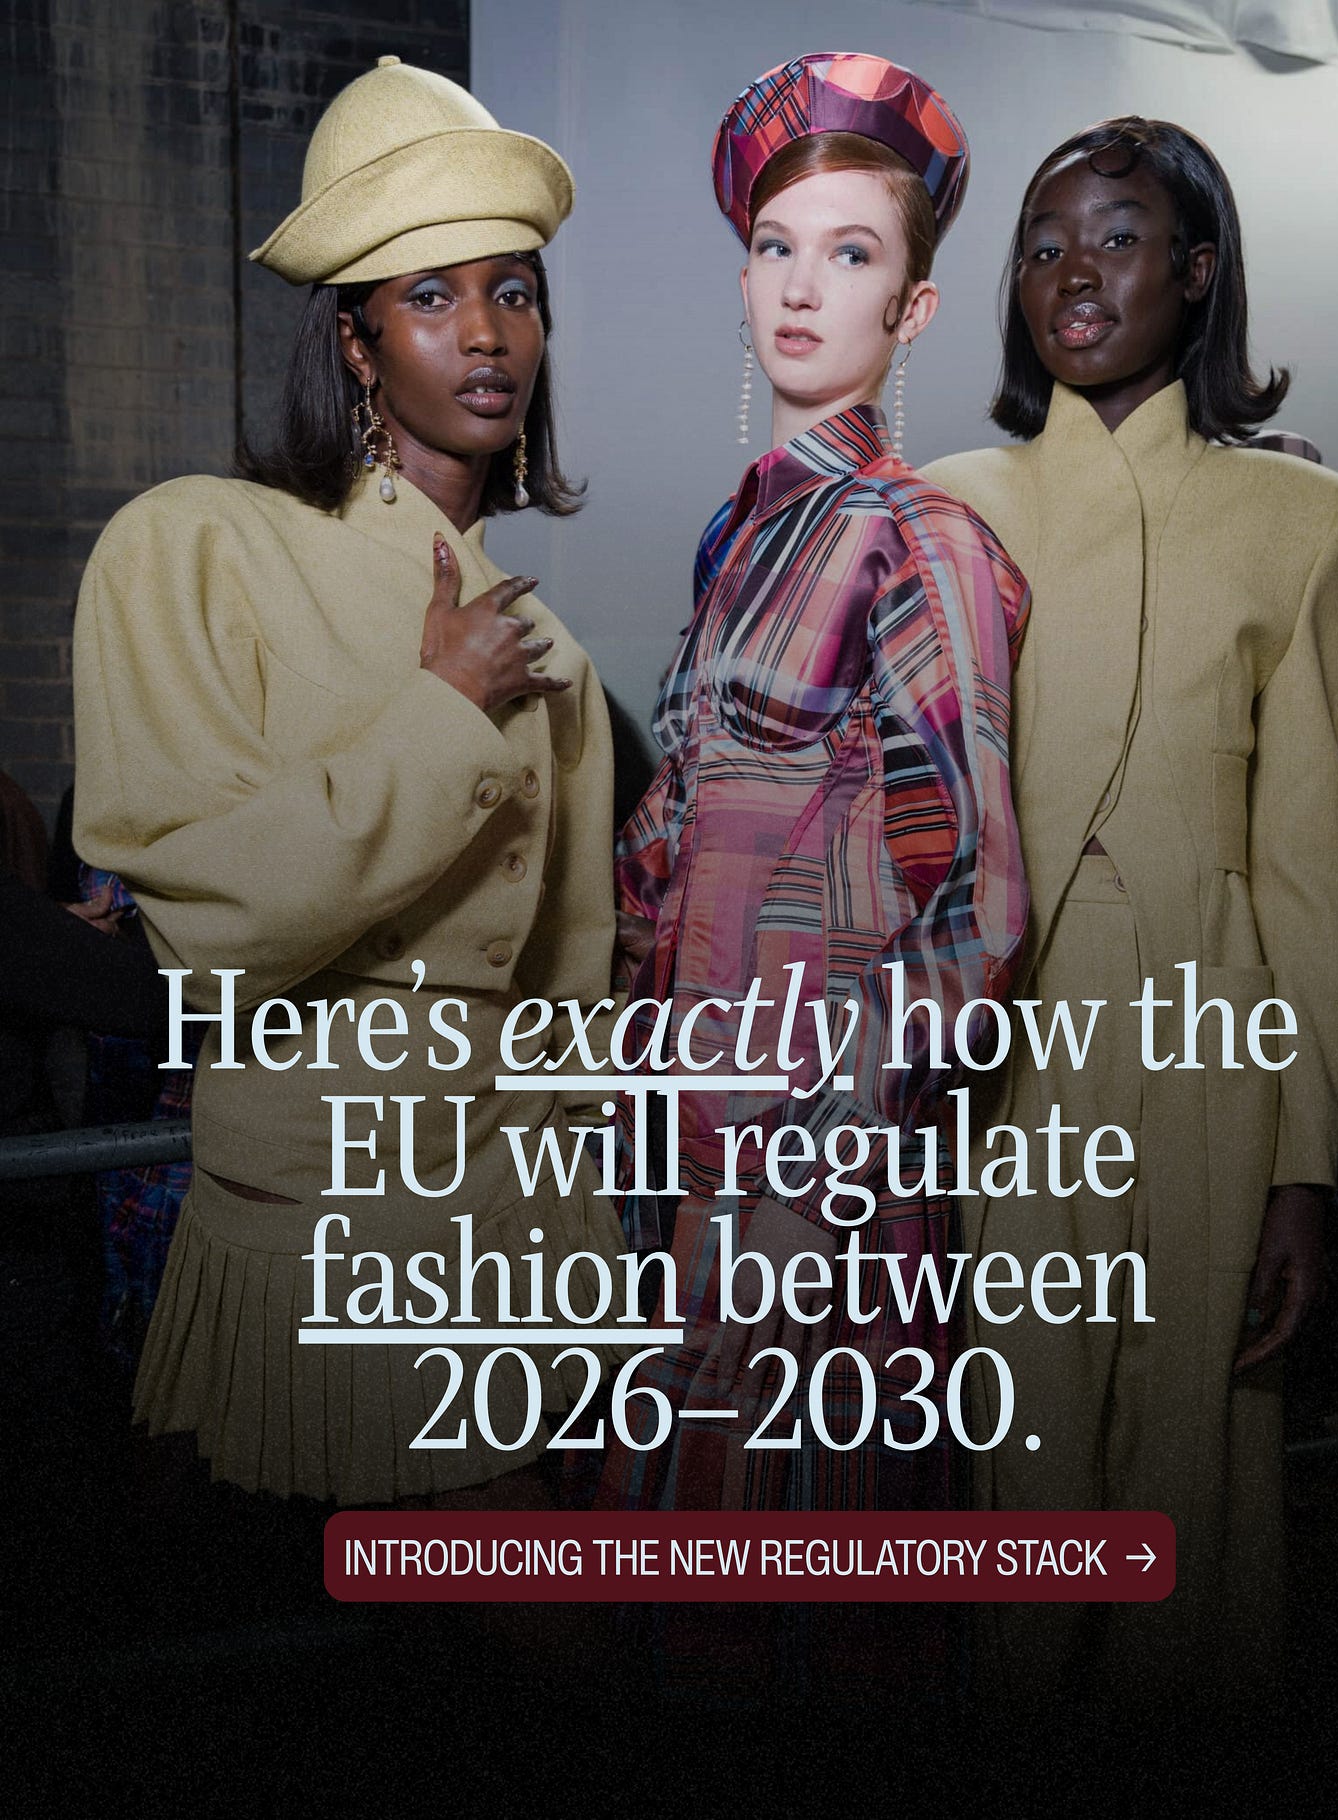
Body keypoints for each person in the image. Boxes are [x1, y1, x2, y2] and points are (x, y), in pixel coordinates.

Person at [71, 58, 626, 1506]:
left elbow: (570, 987)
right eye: (431, 296)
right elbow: (207, 933)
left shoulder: (553, 646)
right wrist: (442, 713)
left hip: (528, 1221)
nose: (488, 332)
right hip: (337, 1217)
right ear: (356, 342)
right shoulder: (192, 547)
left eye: (514, 292)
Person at [924, 117, 1338, 1686]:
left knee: (1200, 1460)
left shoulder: (1303, 518)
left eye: (1117, 238)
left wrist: (1304, 1167)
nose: (1073, 273)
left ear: (1197, 270)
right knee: (1020, 1454)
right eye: (1042, 247)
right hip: (1006, 1049)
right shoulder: (945, 504)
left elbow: (1302, 864)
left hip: (1211, 1036)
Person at [599, 53, 1029, 1513]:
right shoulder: (739, 540)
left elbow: (972, 906)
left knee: (806, 1568)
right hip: (689, 1149)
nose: (800, 287)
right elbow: (670, 851)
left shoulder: (924, 539)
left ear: (912, 310)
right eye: (775, 248)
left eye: (850, 255)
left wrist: (811, 1190)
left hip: (813, 1181)